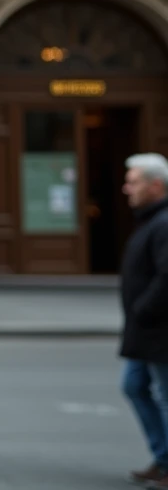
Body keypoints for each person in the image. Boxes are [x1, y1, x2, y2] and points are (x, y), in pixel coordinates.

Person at [119, 153, 168, 488]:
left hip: (158, 331)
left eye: (133, 182)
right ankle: (163, 458)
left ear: (156, 185)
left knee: (164, 394)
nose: (127, 188)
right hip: (144, 330)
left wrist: (144, 309)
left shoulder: (163, 223)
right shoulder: (151, 220)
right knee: (134, 386)